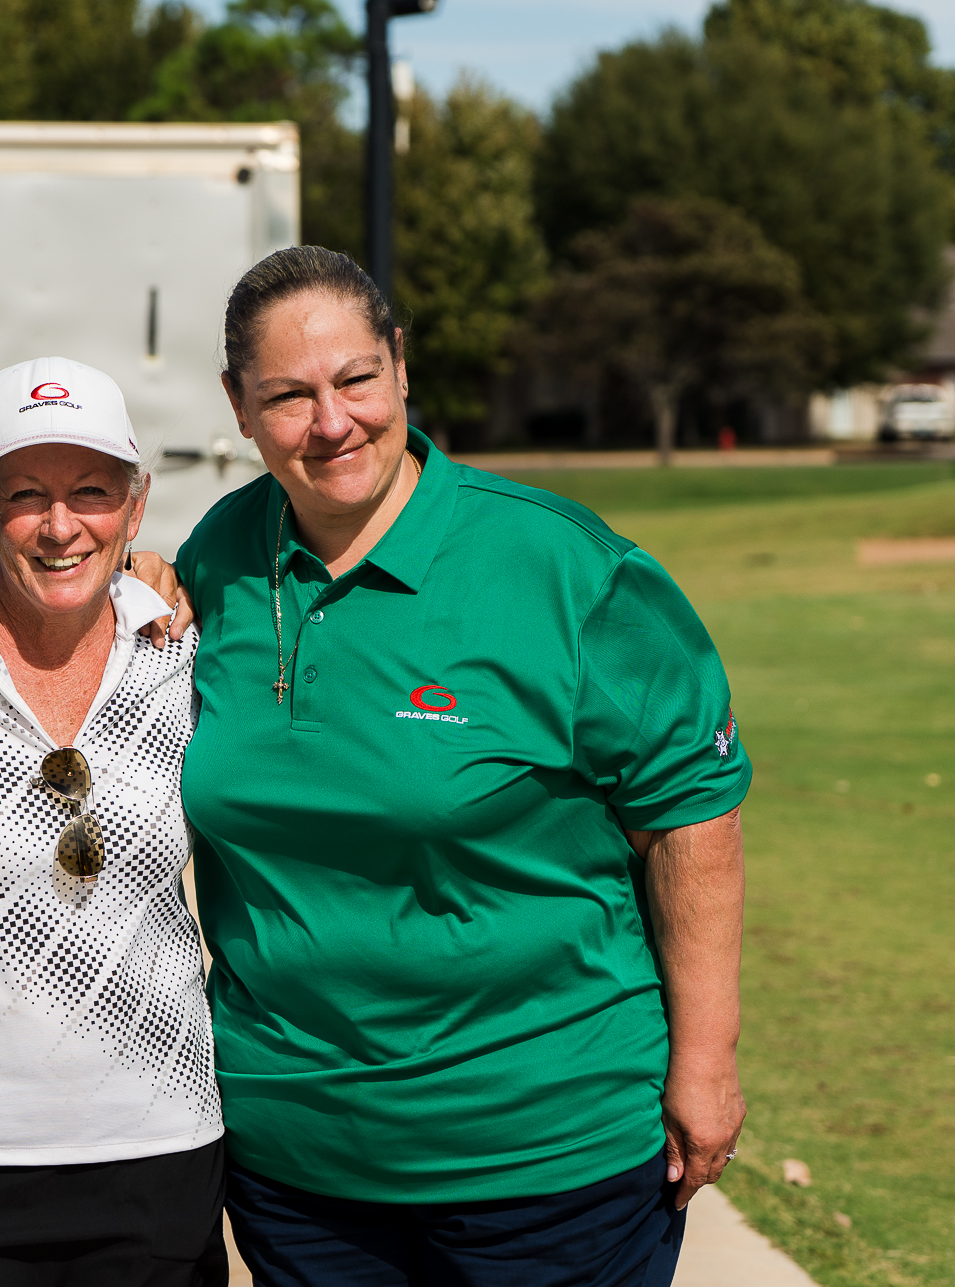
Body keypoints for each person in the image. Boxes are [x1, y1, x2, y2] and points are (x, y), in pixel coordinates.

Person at [174, 247, 751, 1286]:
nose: (331, 421)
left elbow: (690, 815)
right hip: (297, 1168)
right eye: (289, 395)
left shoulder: (563, 568)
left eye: (355, 379)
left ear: (399, 366)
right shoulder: (214, 560)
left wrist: (705, 1064)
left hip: (544, 1160)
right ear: (238, 406)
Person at [0, 358, 227, 1287]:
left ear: (136, 508)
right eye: (26, 494)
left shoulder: (188, 652)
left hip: (160, 1152)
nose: (62, 525)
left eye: (92, 492)